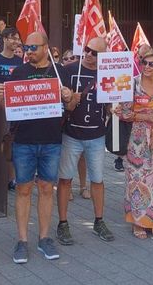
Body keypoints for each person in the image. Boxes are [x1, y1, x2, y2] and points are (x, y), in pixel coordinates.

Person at [0, 32, 72, 264]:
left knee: (47, 189)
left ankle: (45, 238)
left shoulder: (60, 71)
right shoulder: (19, 72)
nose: (28, 51)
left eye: (33, 47)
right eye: (26, 47)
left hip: (51, 141)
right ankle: (22, 240)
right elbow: (8, 106)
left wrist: (68, 96)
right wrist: (1, 96)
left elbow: (71, 102)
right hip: (24, 141)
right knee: (23, 190)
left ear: (46, 48)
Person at [56, 37, 114, 245]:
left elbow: (109, 107)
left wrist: (114, 105)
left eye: (95, 53)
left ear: (103, 56)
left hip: (97, 136)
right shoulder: (69, 70)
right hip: (71, 135)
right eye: (87, 50)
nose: (89, 55)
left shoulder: (107, 72)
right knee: (64, 180)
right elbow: (65, 106)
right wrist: (71, 99)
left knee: (97, 180)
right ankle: (63, 223)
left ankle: (99, 221)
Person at [117, 48, 153, 239]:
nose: (146, 67)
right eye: (144, 63)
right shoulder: (132, 84)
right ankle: (137, 223)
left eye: (151, 64)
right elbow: (122, 113)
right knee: (137, 180)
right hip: (137, 139)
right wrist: (144, 116)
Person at [0, 27, 24, 191]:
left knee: (13, 143)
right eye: (13, 38)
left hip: (16, 110)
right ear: (4, 39)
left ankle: (12, 178)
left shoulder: (19, 61)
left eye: (18, 39)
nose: (16, 41)